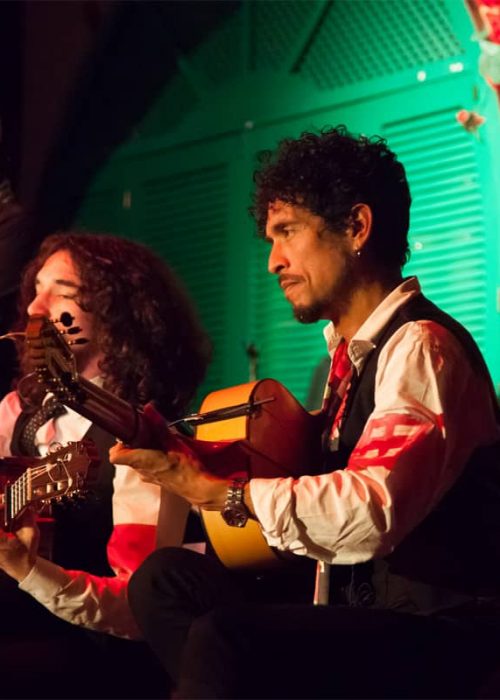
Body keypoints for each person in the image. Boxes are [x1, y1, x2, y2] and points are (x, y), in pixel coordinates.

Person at [111, 126, 500, 699]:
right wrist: (191, 465)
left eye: (287, 233)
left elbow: (372, 507)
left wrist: (222, 494)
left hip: (440, 632)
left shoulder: (420, 345)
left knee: (226, 636)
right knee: (164, 582)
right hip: (361, 611)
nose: (273, 261)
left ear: (356, 227)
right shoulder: (348, 365)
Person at [0, 231, 211, 698]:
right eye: (36, 289)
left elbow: (137, 607)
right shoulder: (17, 413)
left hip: (94, 655)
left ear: (118, 321)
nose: (36, 308)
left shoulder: (146, 440)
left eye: (63, 294)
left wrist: (31, 573)